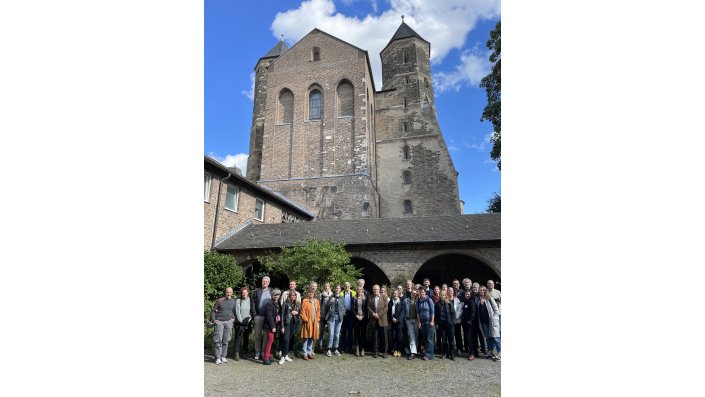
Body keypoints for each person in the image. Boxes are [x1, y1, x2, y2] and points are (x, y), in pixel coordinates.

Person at [210, 287, 236, 364]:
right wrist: (214, 320)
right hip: (220, 322)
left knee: (226, 340)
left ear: (232, 293)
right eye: (227, 292)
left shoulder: (234, 301)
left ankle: (223, 356)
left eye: (230, 292)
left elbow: (235, 311)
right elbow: (213, 311)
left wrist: (233, 319)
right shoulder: (219, 301)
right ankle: (218, 357)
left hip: (229, 322)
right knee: (218, 340)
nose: (229, 294)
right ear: (225, 292)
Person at [250, 276, 273, 360]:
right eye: (263, 281)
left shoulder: (272, 291)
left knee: (266, 336)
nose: (265, 282)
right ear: (261, 282)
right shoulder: (257, 291)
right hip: (258, 316)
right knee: (258, 335)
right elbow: (252, 303)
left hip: (268, 317)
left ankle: (264, 352)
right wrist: (254, 315)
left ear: (269, 283)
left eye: (266, 281)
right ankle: (257, 352)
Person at [278, 280, 301, 358]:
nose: (292, 285)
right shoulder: (285, 293)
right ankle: (281, 351)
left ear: (295, 285)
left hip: (294, 318)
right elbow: (282, 304)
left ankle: (288, 351)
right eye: (290, 284)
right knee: (284, 336)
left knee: (291, 336)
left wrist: (297, 312)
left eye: (293, 284)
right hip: (286, 317)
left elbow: (299, 306)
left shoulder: (298, 294)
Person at [478, 286, 501, 361]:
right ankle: (491, 351)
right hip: (484, 322)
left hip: (492, 321)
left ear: (485, 291)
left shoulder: (490, 298)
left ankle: (499, 353)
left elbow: (496, 309)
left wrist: (495, 318)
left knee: (496, 338)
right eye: (480, 290)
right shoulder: (479, 299)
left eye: (483, 290)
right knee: (488, 338)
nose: (481, 291)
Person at [299, 287, 321, 360]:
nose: (311, 294)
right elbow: (302, 312)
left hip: (314, 322)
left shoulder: (316, 301)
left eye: (312, 293)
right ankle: (304, 353)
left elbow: (318, 311)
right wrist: (306, 319)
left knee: (311, 338)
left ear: (314, 294)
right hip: (307, 322)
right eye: (309, 293)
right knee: (306, 338)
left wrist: (317, 318)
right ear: (307, 294)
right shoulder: (305, 301)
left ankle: (309, 352)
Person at [368, 284, 389, 358]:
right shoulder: (370, 297)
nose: (375, 291)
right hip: (374, 320)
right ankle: (376, 351)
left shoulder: (384, 297)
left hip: (383, 320)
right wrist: (373, 314)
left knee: (384, 337)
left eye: (376, 289)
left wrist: (379, 315)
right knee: (375, 337)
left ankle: (385, 352)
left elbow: (386, 308)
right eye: (374, 289)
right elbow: (368, 307)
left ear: (379, 290)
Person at [262, 289, 282, 365]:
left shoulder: (278, 303)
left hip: (276, 325)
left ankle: (269, 356)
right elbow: (269, 316)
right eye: (275, 295)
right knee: (269, 341)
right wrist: (273, 326)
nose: (276, 296)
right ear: (272, 295)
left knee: (272, 341)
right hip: (270, 326)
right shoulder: (269, 304)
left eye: (278, 295)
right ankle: (266, 358)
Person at [435, 290, 456, 360]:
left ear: (445, 295)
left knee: (451, 339)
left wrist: (452, 322)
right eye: (441, 295)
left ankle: (452, 353)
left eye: (443, 295)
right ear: (439, 295)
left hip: (449, 324)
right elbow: (436, 315)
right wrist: (437, 323)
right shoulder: (437, 304)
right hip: (441, 324)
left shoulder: (449, 304)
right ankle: (445, 352)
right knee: (444, 340)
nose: (442, 296)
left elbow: (453, 314)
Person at [232, 287, 252, 361]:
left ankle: (245, 352)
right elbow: (237, 312)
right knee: (238, 338)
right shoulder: (238, 301)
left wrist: (249, 319)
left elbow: (251, 311)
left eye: (245, 292)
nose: (244, 294)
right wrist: (241, 321)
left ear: (248, 293)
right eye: (243, 293)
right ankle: (236, 353)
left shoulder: (250, 300)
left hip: (247, 322)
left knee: (246, 338)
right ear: (241, 293)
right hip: (239, 323)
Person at [325, 284, 345, 356]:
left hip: (339, 317)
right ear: (334, 289)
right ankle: (329, 349)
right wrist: (331, 301)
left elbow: (344, 307)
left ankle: (336, 348)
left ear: (340, 290)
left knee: (337, 334)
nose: (337, 289)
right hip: (331, 317)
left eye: (338, 288)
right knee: (331, 334)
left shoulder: (342, 298)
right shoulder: (331, 297)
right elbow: (327, 306)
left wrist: (343, 314)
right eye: (336, 288)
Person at [416, 286, 435, 360]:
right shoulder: (418, 301)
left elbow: (432, 311)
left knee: (429, 339)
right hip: (422, 322)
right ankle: (427, 353)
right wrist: (419, 322)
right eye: (420, 292)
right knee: (425, 338)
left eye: (423, 292)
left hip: (429, 322)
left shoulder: (429, 300)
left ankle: (430, 355)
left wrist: (432, 321)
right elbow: (418, 312)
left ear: (425, 292)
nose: (421, 293)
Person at [339, 281, 357, 353]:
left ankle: (350, 347)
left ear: (350, 287)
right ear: (344, 287)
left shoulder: (354, 293)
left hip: (351, 314)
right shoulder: (341, 293)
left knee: (350, 331)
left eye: (348, 286)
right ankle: (343, 348)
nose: (347, 287)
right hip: (343, 313)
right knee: (343, 331)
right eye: (345, 286)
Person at [318, 282, 334, 352]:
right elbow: (318, 305)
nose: (327, 287)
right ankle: (320, 346)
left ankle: (329, 347)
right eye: (325, 286)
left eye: (328, 286)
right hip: (323, 315)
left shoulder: (333, 294)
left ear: (330, 287)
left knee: (330, 332)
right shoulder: (321, 295)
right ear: (324, 287)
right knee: (321, 331)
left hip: (330, 316)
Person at [403, 288, 419, 359]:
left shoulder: (418, 301)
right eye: (413, 293)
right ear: (411, 293)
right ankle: (413, 352)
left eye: (415, 293)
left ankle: (416, 350)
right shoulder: (406, 301)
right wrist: (405, 319)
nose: (413, 294)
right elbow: (403, 310)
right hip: (409, 320)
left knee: (416, 335)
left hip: (416, 320)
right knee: (411, 336)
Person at [388, 289, 404, 357]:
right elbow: (389, 312)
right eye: (394, 293)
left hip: (399, 322)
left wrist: (397, 319)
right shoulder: (391, 302)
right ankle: (395, 350)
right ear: (393, 294)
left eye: (396, 293)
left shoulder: (401, 302)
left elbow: (402, 312)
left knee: (399, 337)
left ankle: (399, 350)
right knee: (394, 336)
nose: (395, 294)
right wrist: (392, 319)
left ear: (398, 294)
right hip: (392, 321)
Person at [352, 286, 367, 356]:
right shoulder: (354, 298)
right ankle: (357, 348)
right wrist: (356, 315)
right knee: (357, 334)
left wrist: (363, 315)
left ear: (363, 291)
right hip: (356, 318)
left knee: (363, 334)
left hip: (363, 318)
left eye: (361, 290)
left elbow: (367, 308)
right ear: (357, 290)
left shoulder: (365, 298)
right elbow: (352, 308)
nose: (360, 291)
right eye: (358, 290)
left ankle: (363, 349)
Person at [451, 288, 464, 356]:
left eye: (451, 291)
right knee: (451, 335)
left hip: (456, 321)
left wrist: (455, 318)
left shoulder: (457, 300)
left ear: (453, 293)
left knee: (458, 335)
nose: (450, 292)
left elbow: (459, 310)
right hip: (449, 321)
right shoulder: (446, 300)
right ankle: (452, 348)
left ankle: (459, 348)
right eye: (449, 291)